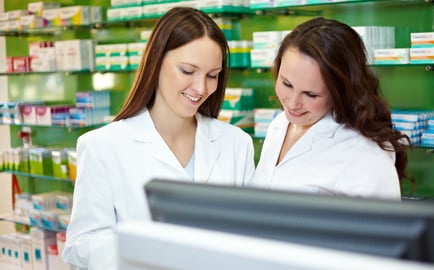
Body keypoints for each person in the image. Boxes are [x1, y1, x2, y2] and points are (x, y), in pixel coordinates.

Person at [62, 7, 255, 270]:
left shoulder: (236, 144)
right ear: (156, 61)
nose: (201, 88)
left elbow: (251, 237)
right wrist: (147, 253)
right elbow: (82, 243)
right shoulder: (102, 146)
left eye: (212, 76)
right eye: (187, 71)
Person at [249, 16, 412, 200]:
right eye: (287, 83)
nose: (293, 104)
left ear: (340, 91)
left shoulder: (363, 153)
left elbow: (384, 226)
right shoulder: (279, 125)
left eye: (311, 94)